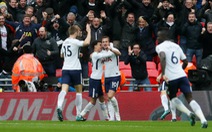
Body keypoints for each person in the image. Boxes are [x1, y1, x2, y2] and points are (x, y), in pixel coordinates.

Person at [156, 28, 208, 128]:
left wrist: (163, 73)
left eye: (159, 36)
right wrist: (180, 70)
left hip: (171, 78)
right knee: (190, 98)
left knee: (173, 98)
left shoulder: (159, 47)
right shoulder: (176, 46)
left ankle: (189, 113)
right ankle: (203, 120)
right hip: (182, 76)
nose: (157, 38)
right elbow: (185, 62)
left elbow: (162, 57)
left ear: (163, 37)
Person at [56, 24, 91, 122]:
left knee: (64, 90)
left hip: (65, 69)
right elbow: (87, 42)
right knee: (79, 91)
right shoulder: (75, 41)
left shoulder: (65, 42)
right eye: (79, 31)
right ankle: (78, 114)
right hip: (75, 69)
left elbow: (62, 55)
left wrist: (75, 54)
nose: (80, 33)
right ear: (75, 32)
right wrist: (89, 32)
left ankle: (59, 106)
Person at [76, 40, 113, 121]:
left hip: (98, 80)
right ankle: (80, 115)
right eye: (100, 45)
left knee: (102, 99)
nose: (101, 46)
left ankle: (107, 118)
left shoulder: (96, 55)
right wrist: (110, 48)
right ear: (95, 47)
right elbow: (109, 54)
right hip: (94, 80)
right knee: (93, 101)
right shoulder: (96, 55)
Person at [101, 36, 121, 121]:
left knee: (110, 95)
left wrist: (111, 49)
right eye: (103, 42)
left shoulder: (113, 50)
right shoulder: (102, 53)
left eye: (106, 42)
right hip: (107, 77)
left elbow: (119, 53)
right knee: (109, 98)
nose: (105, 43)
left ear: (109, 43)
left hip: (115, 76)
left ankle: (117, 114)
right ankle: (112, 118)